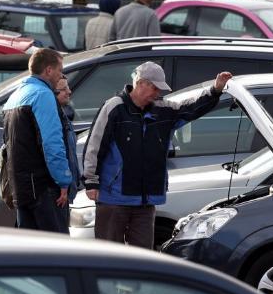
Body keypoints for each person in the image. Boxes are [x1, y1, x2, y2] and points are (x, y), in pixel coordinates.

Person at [82, 62, 232, 248]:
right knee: (108, 254)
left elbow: (191, 108)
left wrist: (215, 90)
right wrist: (91, 181)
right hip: (114, 197)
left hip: (146, 201)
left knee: (143, 257)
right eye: (155, 87)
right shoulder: (114, 107)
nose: (158, 93)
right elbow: (95, 145)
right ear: (140, 83)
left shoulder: (164, 109)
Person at [0, 48, 71, 234]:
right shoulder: (43, 95)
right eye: (59, 70)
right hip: (43, 188)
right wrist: (63, 181)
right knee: (57, 250)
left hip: (21, 188)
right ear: (48, 70)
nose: (60, 75)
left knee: (30, 253)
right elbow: (52, 143)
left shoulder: (15, 96)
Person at [54, 75, 80, 227]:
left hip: (65, 192)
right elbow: (55, 152)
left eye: (68, 87)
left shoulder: (65, 116)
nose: (69, 91)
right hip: (58, 194)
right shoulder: (54, 118)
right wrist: (64, 184)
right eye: (63, 89)